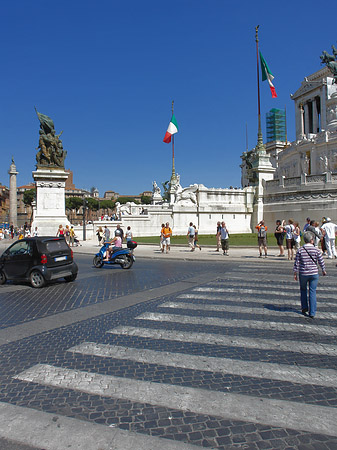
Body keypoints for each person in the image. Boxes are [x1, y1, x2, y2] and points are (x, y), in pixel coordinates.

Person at [293, 231, 327, 318]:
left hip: (303, 273)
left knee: (303, 290)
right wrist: (323, 270)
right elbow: (321, 261)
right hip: (314, 273)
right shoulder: (316, 250)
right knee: (312, 291)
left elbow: (296, 262)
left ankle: (304, 307)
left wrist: (295, 272)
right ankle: (312, 312)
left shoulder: (300, 250)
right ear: (312, 240)